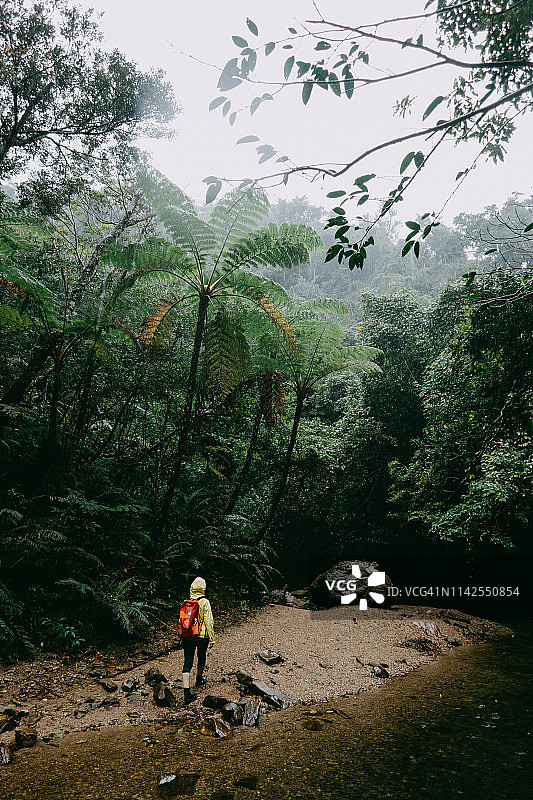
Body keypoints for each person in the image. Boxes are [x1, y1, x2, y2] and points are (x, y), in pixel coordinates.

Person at [181, 576, 214, 704]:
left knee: (187, 661)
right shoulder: (205, 602)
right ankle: (199, 679)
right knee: (201, 656)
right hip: (201, 636)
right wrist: (212, 638)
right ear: (203, 588)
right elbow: (209, 621)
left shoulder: (187, 602)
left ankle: (186, 692)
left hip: (188, 635)